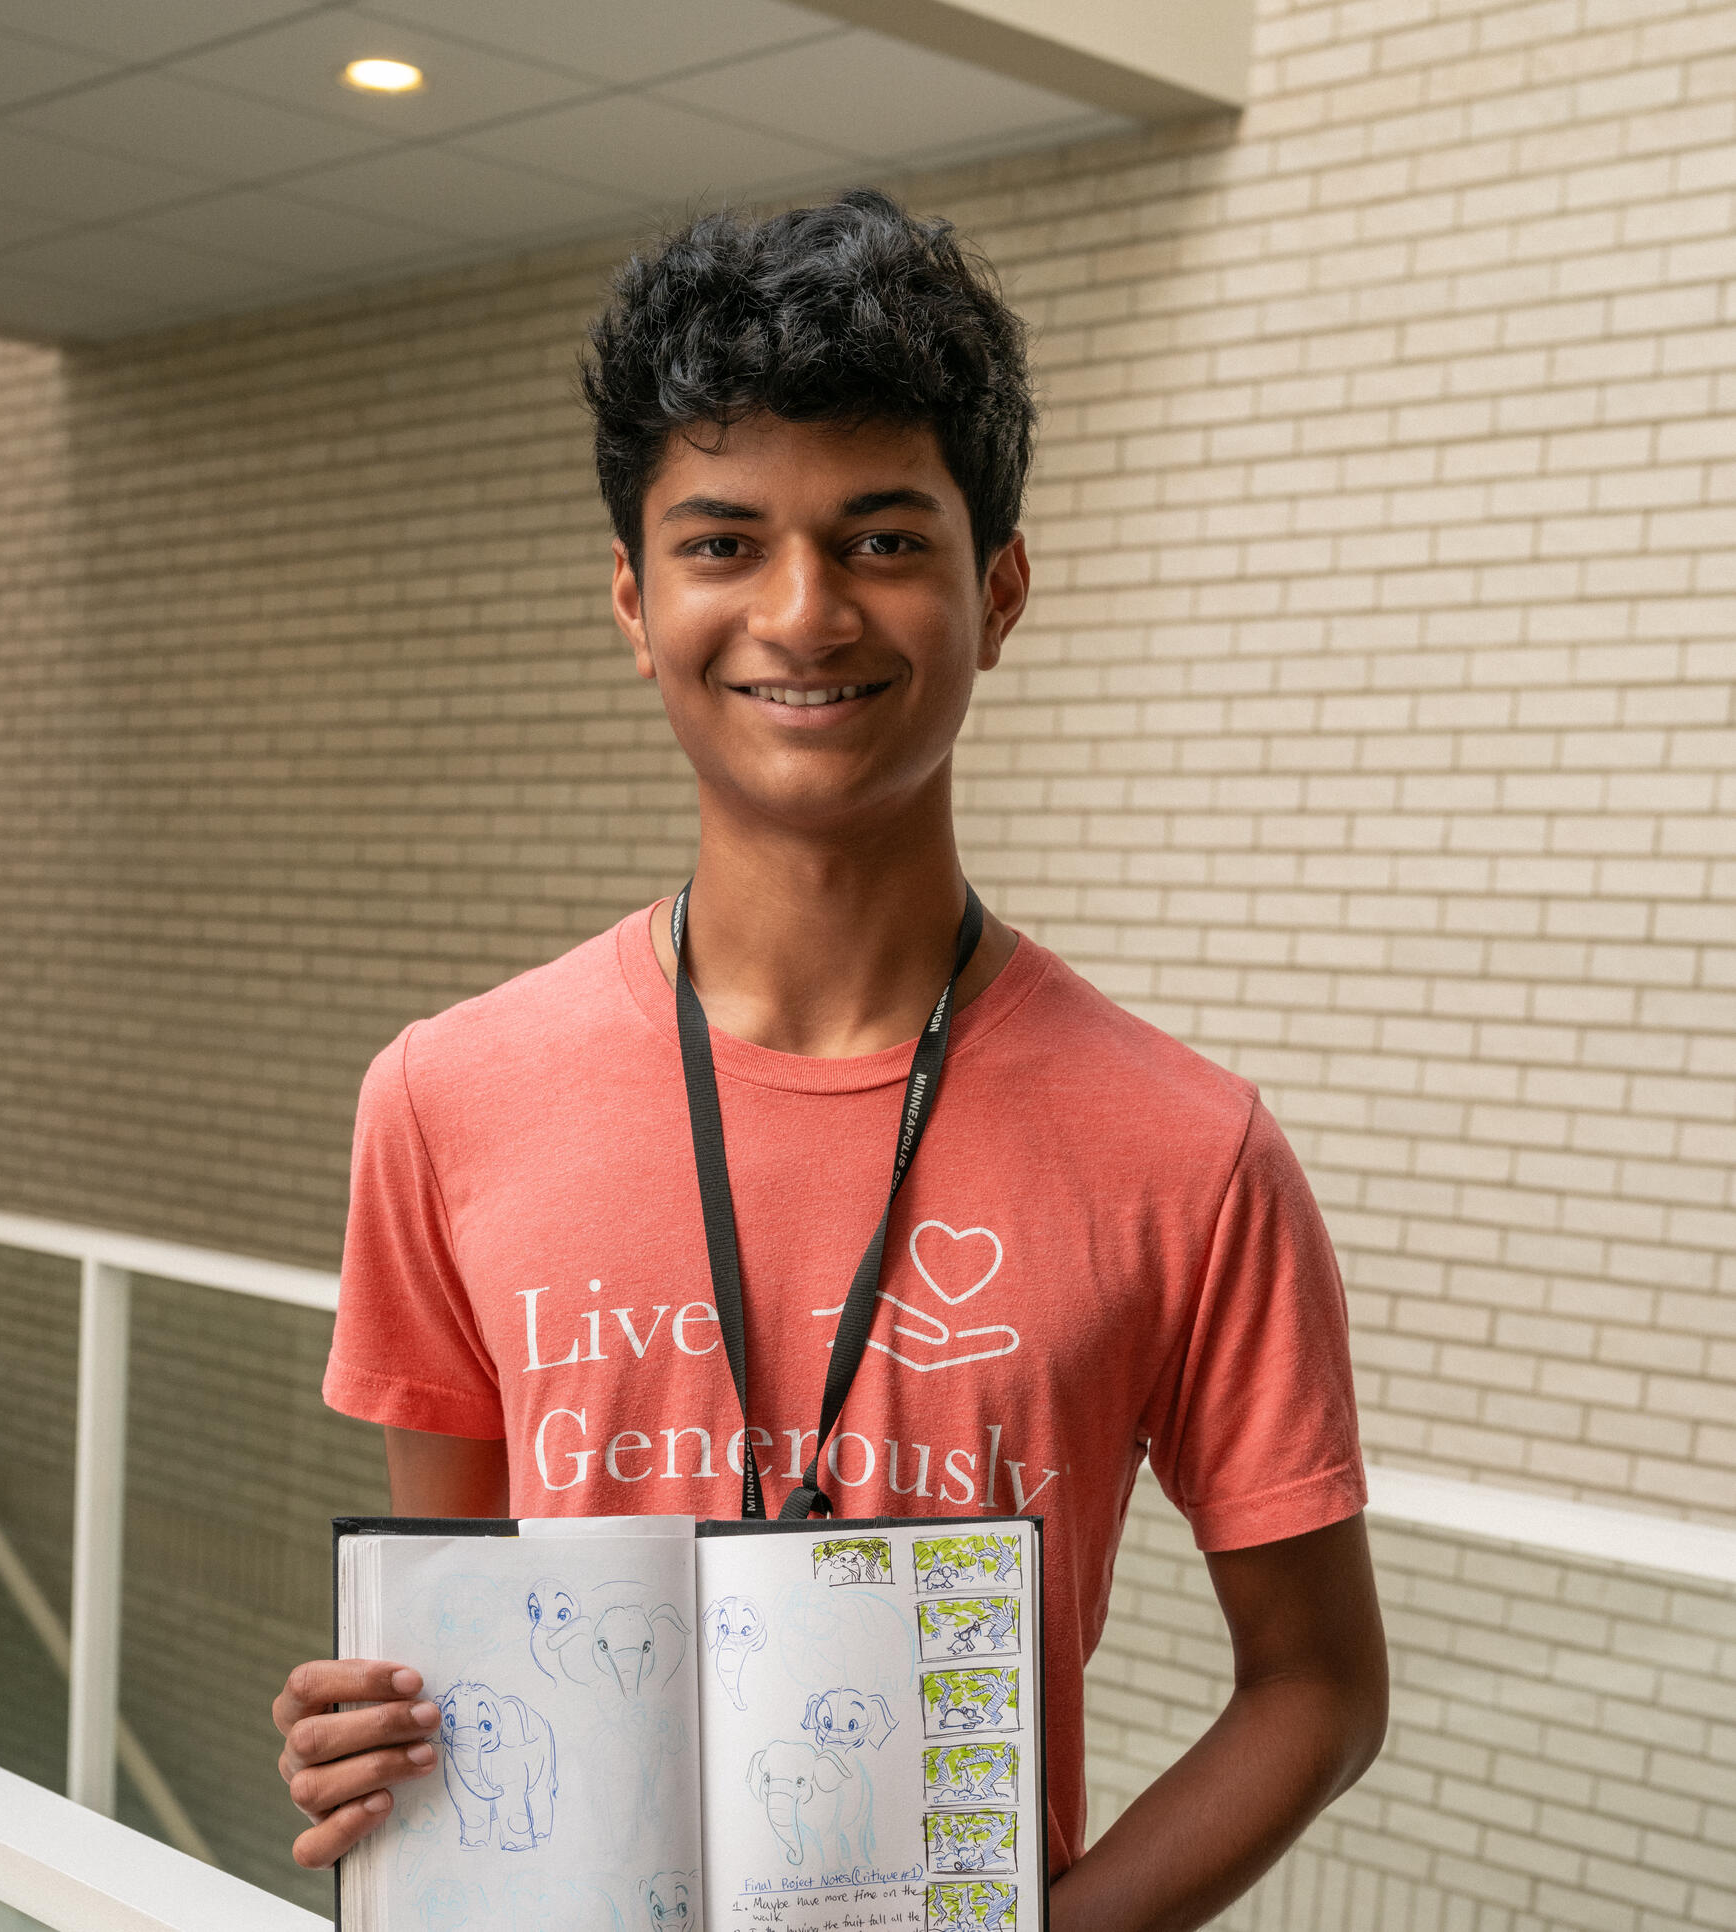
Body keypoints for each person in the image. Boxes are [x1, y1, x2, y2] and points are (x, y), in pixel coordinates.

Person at [272, 189, 1388, 1929]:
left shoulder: (1191, 1152)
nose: (804, 613)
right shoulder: (445, 1098)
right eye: (724, 545)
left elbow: (1317, 1687)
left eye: (881, 540)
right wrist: (375, 1735)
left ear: (997, 589)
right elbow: (470, 1626)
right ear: (635, 603)